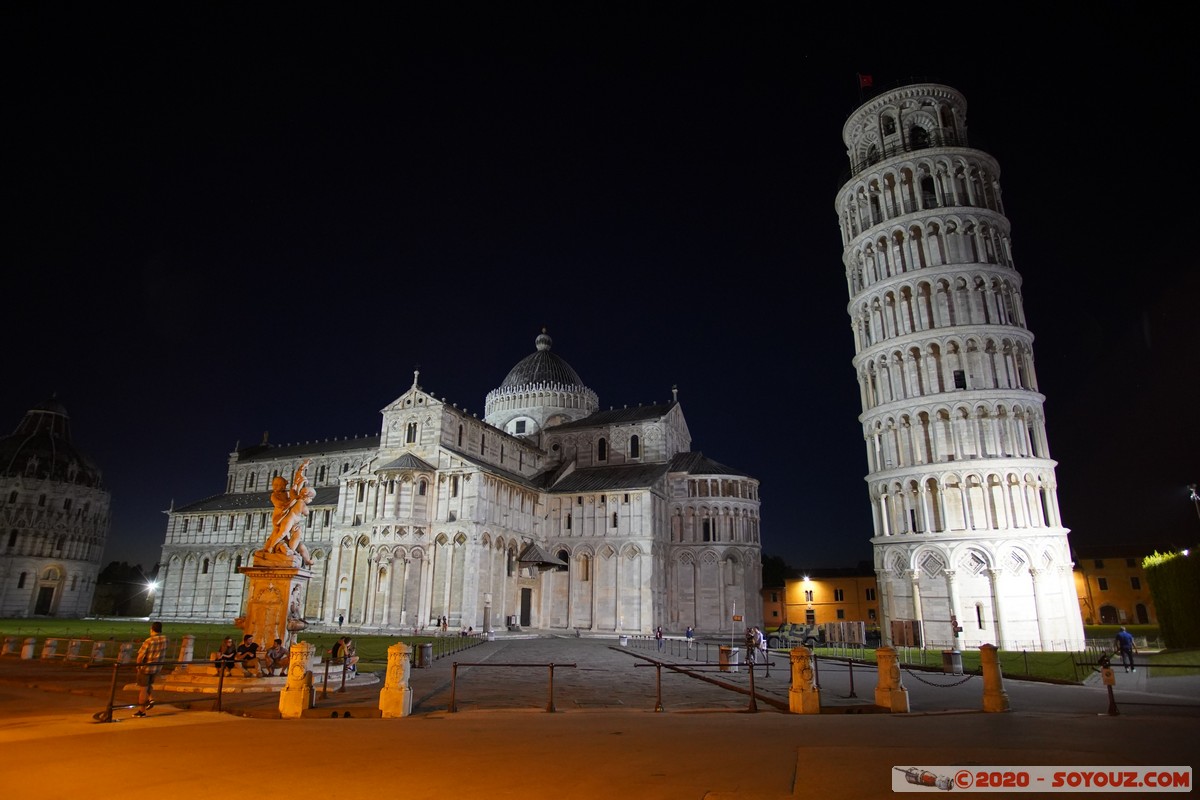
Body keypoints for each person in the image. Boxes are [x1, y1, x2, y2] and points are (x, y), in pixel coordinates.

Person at [134, 621, 167, 717]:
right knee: (148, 685)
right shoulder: (165, 639)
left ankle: (141, 711)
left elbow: (140, 656)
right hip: (157, 668)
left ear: (152, 629)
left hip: (146, 668)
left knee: (143, 689)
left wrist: (138, 665)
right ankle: (151, 699)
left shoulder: (149, 641)